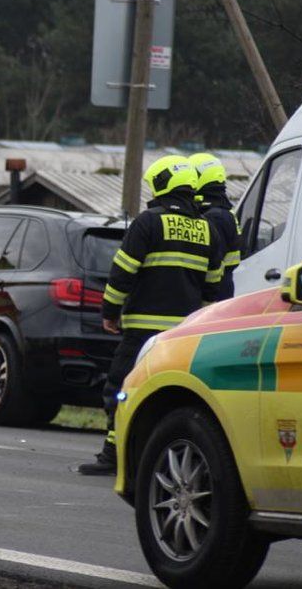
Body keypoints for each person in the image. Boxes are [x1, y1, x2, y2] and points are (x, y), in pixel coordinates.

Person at [78, 155, 222, 476]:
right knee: (171, 396)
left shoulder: (148, 222)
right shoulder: (207, 229)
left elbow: (123, 273)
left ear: (162, 185)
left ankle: (113, 456)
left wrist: (109, 312)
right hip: (183, 336)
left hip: (142, 332)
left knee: (121, 387)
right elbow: (212, 287)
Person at [190, 152, 242, 300]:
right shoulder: (223, 211)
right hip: (221, 291)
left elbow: (210, 263)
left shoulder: (214, 217)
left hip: (214, 296)